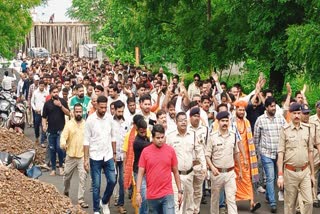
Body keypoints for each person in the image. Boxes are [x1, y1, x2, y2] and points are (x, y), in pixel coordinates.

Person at [277, 103, 315, 214]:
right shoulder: (285, 130)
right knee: (290, 204)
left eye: (299, 113)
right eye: (295, 113)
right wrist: (280, 175)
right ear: (290, 114)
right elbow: (281, 153)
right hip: (290, 172)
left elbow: (310, 152)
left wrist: (312, 174)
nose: (297, 116)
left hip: (305, 171)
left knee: (309, 202)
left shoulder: (307, 129)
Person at [136, 124, 183, 214]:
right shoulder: (145, 152)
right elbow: (140, 173)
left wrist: (180, 191)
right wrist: (138, 193)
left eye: (162, 137)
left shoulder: (170, 151)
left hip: (167, 193)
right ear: (152, 138)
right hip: (152, 196)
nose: (161, 140)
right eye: (158, 138)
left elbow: (176, 172)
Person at [166, 112, 206, 214]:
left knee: (189, 204)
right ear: (176, 122)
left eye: (185, 120)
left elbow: (200, 151)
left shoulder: (192, 135)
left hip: (189, 174)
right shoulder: (170, 136)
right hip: (175, 175)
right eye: (180, 120)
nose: (183, 122)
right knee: (177, 203)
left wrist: (204, 167)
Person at [254, 97, 286, 213]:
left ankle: (268, 195)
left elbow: (286, 132)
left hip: (279, 154)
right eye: (271, 106)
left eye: (274, 106)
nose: (273, 108)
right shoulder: (260, 120)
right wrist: (257, 154)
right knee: (271, 177)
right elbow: (256, 138)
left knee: (276, 177)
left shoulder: (280, 118)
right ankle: (273, 203)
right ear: (266, 107)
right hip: (266, 153)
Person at [205, 111, 242, 214]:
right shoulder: (212, 137)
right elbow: (207, 155)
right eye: (223, 121)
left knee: (231, 199)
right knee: (215, 199)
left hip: (230, 172)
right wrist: (212, 167)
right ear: (218, 122)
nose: (225, 123)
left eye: (227, 121)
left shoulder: (233, 135)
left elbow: (236, 153)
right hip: (217, 173)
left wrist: (240, 171)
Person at [233, 100, 261, 212]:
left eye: (243, 110)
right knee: (234, 181)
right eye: (239, 109)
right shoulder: (231, 123)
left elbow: (250, 140)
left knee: (247, 180)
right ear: (236, 110)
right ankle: (231, 203)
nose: (241, 111)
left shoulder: (247, 122)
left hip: (247, 157)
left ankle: (252, 203)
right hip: (234, 158)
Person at [60, 103, 88, 209]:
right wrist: (63, 144)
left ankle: (81, 200)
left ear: (83, 112)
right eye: (76, 111)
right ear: (73, 112)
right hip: (70, 155)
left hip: (82, 156)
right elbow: (63, 136)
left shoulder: (86, 124)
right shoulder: (69, 124)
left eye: (80, 111)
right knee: (66, 176)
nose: (78, 113)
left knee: (83, 177)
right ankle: (66, 191)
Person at [42, 85, 70, 176]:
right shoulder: (47, 104)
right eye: (54, 92)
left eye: (57, 92)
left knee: (59, 147)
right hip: (51, 130)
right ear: (50, 94)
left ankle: (61, 167)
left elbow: (68, 113)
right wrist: (44, 125)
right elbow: (44, 117)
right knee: (52, 149)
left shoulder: (62, 101)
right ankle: (53, 169)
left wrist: (60, 106)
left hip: (61, 129)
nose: (56, 93)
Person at [188, 107, 209, 213]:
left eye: (198, 116)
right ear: (190, 117)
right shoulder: (186, 129)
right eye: (194, 116)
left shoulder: (205, 129)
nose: (196, 118)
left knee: (198, 190)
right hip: (189, 164)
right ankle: (190, 210)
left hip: (200, 163)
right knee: (189, 190)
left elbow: (207, 146)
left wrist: (206, 164)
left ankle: (196, 210)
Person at [112, 100, 129, 214]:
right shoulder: (109, 122)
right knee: (112, 180)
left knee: (122, 182)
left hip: (123, 157)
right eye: (119, 111)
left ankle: (121, 205)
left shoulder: (126, 122)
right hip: (112, 156)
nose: (120, 113)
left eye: (122, 111)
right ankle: (105, 202)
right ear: (114, 110)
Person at [133, 119, 152, 214]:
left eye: (145, 130)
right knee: (143, 198)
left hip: (147, 171)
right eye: (141, 130)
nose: (143, 132)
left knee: (148, 198)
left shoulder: (145, 138)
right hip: (139, 172)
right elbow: (151, 145)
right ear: (137, 130)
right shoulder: (137, 142)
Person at [31, 80, 48, 147]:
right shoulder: (35, 93)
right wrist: (35, 109)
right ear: (39, 85)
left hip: (44, 113)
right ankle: (37, 137)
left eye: (43, 86)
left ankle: (42, 141)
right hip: (37, 112)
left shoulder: (46, 93)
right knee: (36, 126)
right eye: (41, 86)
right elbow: (32, 102)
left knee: (43, 126)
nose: (42, 87)